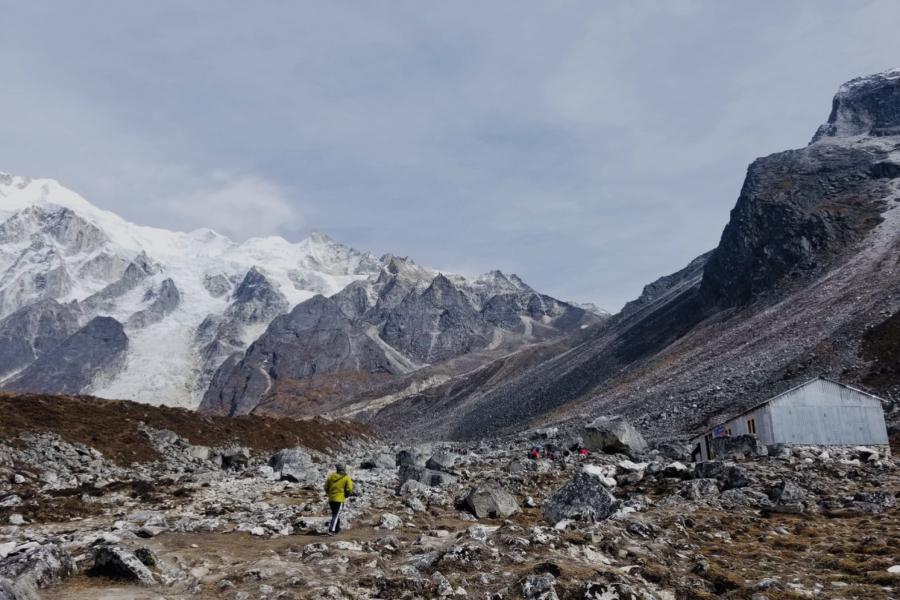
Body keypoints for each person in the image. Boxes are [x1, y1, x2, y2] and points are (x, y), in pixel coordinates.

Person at [323, 463, 354, 536]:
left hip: (331, 499)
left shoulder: (331, 477)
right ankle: (332, 530)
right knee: (336, 515)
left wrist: (329, 493)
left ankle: (337, 529)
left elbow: (325, 486)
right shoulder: (346, 477)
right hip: (339, 499)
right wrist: (346, 495)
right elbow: (349, 488)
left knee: (335, 514)